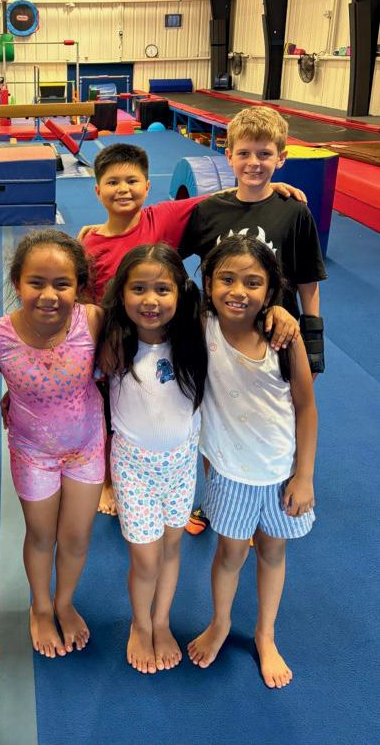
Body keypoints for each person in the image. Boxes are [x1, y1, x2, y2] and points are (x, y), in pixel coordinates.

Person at [78, 141, 302, 516]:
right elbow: (84, 299)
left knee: (166, 397)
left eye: (132, 181)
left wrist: (265, 189)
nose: (123, 190)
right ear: (97, 190)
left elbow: (216, 198)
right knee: (109, 409)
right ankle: (109, 481)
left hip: (164, 334)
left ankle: (186, 468)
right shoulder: (89, 241)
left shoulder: (161, 216)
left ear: (147, 186)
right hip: (119, 336)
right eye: (113, 182)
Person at [179, 106, 326, 535]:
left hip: (276, 337)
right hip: (219, 335)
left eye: (264, 154)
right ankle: (218, 497)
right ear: (228, 155)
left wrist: (313, 343)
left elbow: (308, 282)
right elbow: (173, 256)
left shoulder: (293, 211)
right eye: (244, 153)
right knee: (215, 415)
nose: (254, 163)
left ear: (281, 157)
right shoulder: (209, 211)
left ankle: (280, 483)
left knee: (272, 413)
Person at [187, 235, 317, 689]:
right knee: (230, 553)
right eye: (226, 279)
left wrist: (304, 475)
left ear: (270, 290)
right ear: (208, 282)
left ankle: (265, 633)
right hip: (229, 472)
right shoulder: (201, 327)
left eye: (253, 282)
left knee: (272, 552)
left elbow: (306, 407)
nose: (238, 291)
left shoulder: (284, 339)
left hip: (279, 472)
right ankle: (221, 623)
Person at [0, 230, 105, 659]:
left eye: (62, 284)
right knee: (40, 535)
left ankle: (64, 602)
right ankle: (41, 606)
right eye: (36, 282)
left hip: (87, 446)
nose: (49, 295)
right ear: (17, 283)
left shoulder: (92, 321)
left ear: (79, 286)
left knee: (76, 537)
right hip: (33, 453)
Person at [99, 243, 207, 675]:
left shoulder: (196, 339)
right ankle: (140, 624)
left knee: (172, 548)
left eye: (162, 289)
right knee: (146, 558)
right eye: (138, 288)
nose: (150, 300)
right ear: (121, 293)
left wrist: (282, 315)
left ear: (180, 292)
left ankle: (162, 621)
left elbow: (246, 319)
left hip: (181, 464)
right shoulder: (112, 344)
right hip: (134, 467)